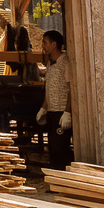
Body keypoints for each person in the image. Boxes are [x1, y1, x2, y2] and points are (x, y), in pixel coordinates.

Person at [36, 29, 73, 168]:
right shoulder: (50, 64)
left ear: (54, 44)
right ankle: (55, 176)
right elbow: (50, 89)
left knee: (60, 148)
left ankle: (66, 176)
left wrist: (67, 112)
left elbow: (71, 89)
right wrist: (43, 108)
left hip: (61, 113)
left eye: (45, 42)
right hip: (52, 112)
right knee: (52, 148)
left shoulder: (65, 62)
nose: (43, 46)